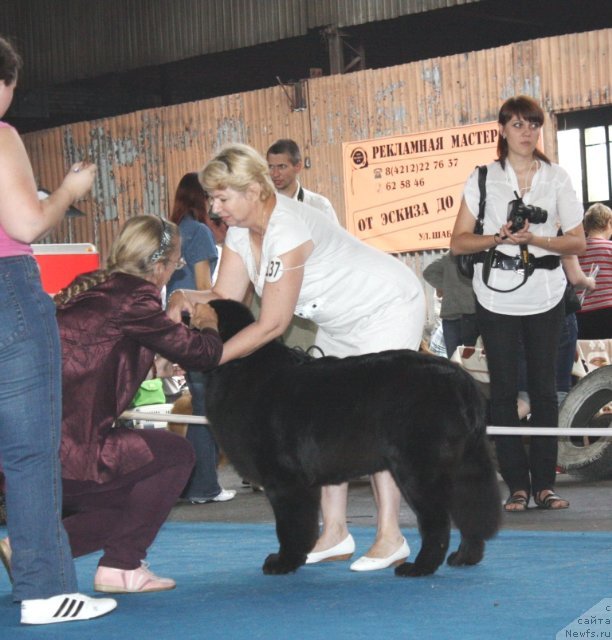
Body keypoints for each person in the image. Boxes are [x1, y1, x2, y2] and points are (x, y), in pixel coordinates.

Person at [172, 143, 425, 571]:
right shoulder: (238, 232)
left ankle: (390, 536)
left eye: (221, 197)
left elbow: (271, 325)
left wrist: (207, 358)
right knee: (325, 420)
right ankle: (334, 531)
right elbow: (225, 299)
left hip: (385, 306)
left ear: (253, 189)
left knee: (375, 418)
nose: (214, 209)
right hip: (341, 319)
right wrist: (181, 297)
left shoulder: (287, 228)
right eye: (212, 198)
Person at [0, 36, 117, 625]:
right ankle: (44, 592)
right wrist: (68, 191)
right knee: (27, 453)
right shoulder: (1, 134)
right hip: (5, 291)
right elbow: (23, 221)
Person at [51, 215, 222, 593]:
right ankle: (122, 566)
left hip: (36, 450)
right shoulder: (135, 299)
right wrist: (208, 320)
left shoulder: (98, 291)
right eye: (177, 264)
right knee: (176, 456)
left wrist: (154, 357)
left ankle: (36, 550)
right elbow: (203, 354)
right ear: (160, 266)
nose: (175, 271)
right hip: (72, 451)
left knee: (137, 501)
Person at [450, 95, 586, 513]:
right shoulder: (482, 178)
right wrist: (498, 238)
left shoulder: (557, 177)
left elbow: (577, 240)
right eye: (517, 124)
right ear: (503, 130)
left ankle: (545, 484)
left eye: (533, 124)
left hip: (545, 295)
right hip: (494, 296)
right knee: (504, 391)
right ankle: (516, 485)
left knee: (545, 391)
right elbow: (458, 241)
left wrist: (536, 239)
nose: (526, 132)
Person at [167, 173, 235, 504]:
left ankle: (194, 483)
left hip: (175, 326)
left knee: (197, 405)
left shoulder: (173, 232)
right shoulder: (201, 233)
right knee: (206, 407)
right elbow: (205, 288)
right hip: (196, 324)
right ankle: (204, 485)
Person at [266, 139, 339, 224]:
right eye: (271, 167)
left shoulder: (320, 207)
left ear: (298, 166)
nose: (275, 174)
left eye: (282, 166)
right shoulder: (260, 209)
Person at [423, 251, 478, 359]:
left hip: (451, 315)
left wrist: (445, 287)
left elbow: (428, 272)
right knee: (473, 359)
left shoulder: (450, 256)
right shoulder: (479, 254)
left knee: (454, 359)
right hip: (473, 313)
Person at [576, 203, 612, 339]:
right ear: (609, 222)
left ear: (585, 226)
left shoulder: (575, 251)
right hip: (609, 309)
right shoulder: (610, 247)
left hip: (582, 313)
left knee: (590, 356)